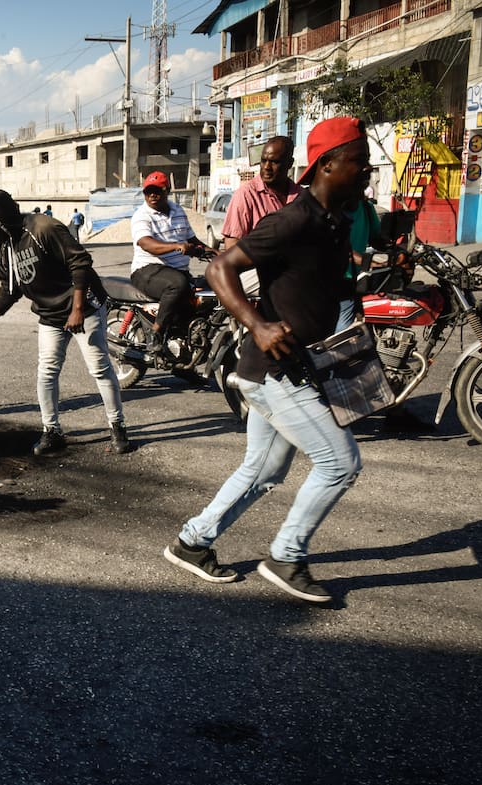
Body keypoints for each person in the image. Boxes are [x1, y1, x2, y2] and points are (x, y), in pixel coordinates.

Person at [162, 117, 372, 604]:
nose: (365, 172)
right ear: (327, 164)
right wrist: (257, 324)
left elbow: (325, 285)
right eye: (358, 163)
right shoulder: (292, 219)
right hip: (276, 370)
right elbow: (220, 268)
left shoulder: (335, 219)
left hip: (303, 365)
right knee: (340, 463)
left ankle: (192, 542)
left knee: (264, 470)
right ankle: (286, 556)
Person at [0, 189, 132, 456]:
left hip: (83, 306)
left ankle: (117, 427)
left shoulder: (43, 227)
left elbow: (81, 263)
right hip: (50, 315)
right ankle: (51, 431)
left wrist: (77, 310)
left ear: (0, 218)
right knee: (47, 371)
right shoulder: (6, 249)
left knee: (99, 368)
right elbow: (9, 292)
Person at [129, 171, 206, 355]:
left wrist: (217, 253)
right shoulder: (142, 215)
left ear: (167, 191)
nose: (152, 195)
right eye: (148, 191)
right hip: (146, 271)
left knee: (207, 289)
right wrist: (176, 246)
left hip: (176, 270)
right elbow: (147, 244)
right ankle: (156, 331)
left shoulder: (178, 211)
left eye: (157, 191)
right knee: (177, 285)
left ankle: (185, 349)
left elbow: (192, 239)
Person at [220, 135, 302, 296]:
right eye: (263, 161)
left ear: (289, 164)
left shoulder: (301, 196)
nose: (266, 167)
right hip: (254, 271)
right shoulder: (245, 195)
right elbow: (231, 246)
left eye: (275, 162)